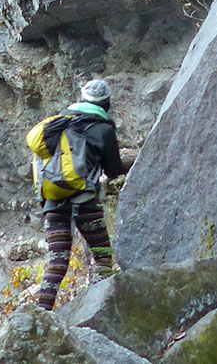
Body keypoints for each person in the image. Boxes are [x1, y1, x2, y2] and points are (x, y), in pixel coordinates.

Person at [36, 79, 126, 311]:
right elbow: (114, 170)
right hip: (85, 202)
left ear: (81, 99)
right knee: (103, 256)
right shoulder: (104, 130)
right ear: (106, 103)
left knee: (56, 261)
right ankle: (97, 309)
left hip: (53, 200)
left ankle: (40, 314)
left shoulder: (57, 124)